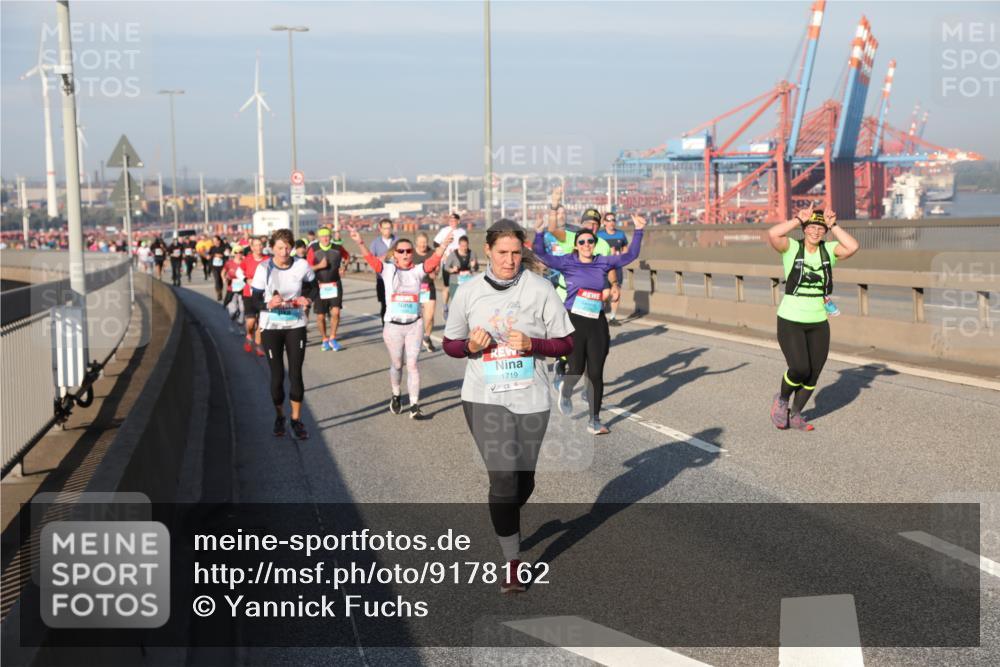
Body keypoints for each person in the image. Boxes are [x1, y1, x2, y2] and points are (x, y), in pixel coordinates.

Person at [442, 219, 574, 594]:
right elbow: (450, 344)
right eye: (502, 252)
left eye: (516, 253)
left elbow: (566, 342)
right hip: (483, 396)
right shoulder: (468, 293)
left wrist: (534, 344)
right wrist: (470, 346)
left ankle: (507, 519)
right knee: (502, 476)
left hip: (531, 396)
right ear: (489, 252)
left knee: (523, 480)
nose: (510, 260)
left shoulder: (541, 288)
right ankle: (512, 562)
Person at [534, 212, 645, 435]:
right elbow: (541, 254)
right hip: (574, 321)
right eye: (582, 242)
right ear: (576, 246)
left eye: (590, 242)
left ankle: (594, 420)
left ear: (595, 244)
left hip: (596, 322)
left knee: (595, 373)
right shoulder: (567, 262)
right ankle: (566, 392)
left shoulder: (602, 262)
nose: (586, 245)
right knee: (576, 368)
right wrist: (538, 232)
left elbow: (631, 254)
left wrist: (639, 230)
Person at [767, 207, 858, 431]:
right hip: (791, 318)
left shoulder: (828, 250)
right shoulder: (792, 248)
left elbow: (853, 246)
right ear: (804, 229)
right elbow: (773, 234)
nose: (816, 232)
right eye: (812, 228)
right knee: (799, 368)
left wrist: (834, 225)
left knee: (814, 371)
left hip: (818, 320)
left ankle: (796, 414)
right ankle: (781, 400)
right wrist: (798, 219)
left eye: (821, 229)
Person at [348, 225, 451, 420]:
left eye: (408, 251)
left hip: (414, 325)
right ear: (394, 254)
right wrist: (360, 242)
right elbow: (370, 260)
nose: (405, 254)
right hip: (393, 326)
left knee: (412, 365)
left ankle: (414, 405)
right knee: (397, 364)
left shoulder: (418, 271)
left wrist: (443, 246)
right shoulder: (387, 270)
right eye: (401, 251)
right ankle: (396, 394)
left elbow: (432, 262)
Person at [249, 228, 318, 440]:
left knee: (296, 373)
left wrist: (307, 299)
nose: (284, 251)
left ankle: (296, 419)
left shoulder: (301, 265)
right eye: (280, 248)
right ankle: (280, 416)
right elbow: (255, 300)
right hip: (271, 327)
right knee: (277, 376)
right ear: (272, 249)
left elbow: (313, 287)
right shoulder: (264, 268)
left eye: (287, 247)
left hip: (295, 324)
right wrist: (268, 303)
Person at [307, 227, 350, 351]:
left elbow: (347, 257)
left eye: (327, 236)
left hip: (335, 284)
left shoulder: (337, 248)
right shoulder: (313, 249)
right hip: (319, 285)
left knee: (336, 312)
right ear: (319, 238)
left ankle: (333, 337)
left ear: (330, 237)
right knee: (320, 317)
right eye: (323, 236)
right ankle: (324, 339)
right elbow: (308, 268)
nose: (325, 239)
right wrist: (319, 266)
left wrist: (344, 267)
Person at [598, 212, 629, 327]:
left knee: (616, 292)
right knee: (605, 293)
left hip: (617, 267)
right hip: (603, 268)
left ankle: (613, 317)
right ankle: (601, 313)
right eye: (609, 220)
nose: (611, 222)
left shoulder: (621, 234)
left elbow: (625, 247)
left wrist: (623, 257)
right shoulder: (600, 235)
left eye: (613, 220)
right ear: (604, 222)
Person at [240, 236, 268, 357]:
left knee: (261, 322)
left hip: (263, 294)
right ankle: (249, 334)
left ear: (263, 246)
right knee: (251, 322)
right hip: (249, 294)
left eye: (260, 245)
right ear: (251, 247)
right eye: (255, 245)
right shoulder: (247, 259)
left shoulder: (268, 259)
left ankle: (258, 345)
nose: (258, 247)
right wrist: (246, 279)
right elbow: (238, 272)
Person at [435, 212, 467, 316]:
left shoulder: (462, 232)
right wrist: (442, 255)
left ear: (458, 221)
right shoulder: (444, 231)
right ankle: (445, 306)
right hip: (447, 263)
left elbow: (465, 245)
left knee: (459, 286)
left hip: (459, 263)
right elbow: (435, 243)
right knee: (447, 287)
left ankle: (457, 309)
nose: (452, 222)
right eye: (450, 220)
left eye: (454, 220)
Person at [413, 233, 439, 352]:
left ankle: (427, 337)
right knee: (416, 317)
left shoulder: (432, 253)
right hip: (414, 289)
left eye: (425, 242)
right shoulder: (411, 253)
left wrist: (435, 272)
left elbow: (437, 266)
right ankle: (414, 339)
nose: (423, 244)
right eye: (421, 242)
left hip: (429, 287)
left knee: (429, 316)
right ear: (416, 243)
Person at [369, 219, 396, 321]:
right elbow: (372, 260)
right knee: (385, 305)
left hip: (397, 278)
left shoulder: (397, 241)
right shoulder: (375, 243)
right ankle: (385, 326)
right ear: (380, 229)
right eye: (385, 228)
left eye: (389, 228)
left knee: (396, 304)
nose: (387, 231)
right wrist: (384, 257)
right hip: (382, 279)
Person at [444, 235, 479, 304]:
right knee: (456, 302)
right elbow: (446, 267)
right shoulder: (453, 255)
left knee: (467, 302)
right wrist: (452, 269)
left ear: (468, 245)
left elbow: (476, 268)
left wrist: (474, 266)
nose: (464, 248)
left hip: (468, 281)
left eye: (466, 246)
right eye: (462, 246)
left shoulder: (472, 254)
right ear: (459, 245)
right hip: (455, 282)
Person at [222, 247, 246, 326]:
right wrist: (224, 279)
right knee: (233, 309)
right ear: (233, 253)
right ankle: (231, 322)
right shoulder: (229, 263)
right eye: (236, 252)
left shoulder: (245, 262)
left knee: (242, 308)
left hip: (243, 288)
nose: (238, 254)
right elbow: (223, 272)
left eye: (240, 252)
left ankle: (240, 323)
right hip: (231, 288)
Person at [207, 236, 227, 301]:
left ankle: (220, 291)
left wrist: (222, 255)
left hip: (222, 266)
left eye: (216, 241)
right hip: (214, 266)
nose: (215, 242)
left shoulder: (223, 248)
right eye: (214, 241)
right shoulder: (212, 248)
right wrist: (212, 255)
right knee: (216, 279)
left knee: (220, 280)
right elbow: (209, 255)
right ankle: (218, 293)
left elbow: (227, 255)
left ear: (219, 241)